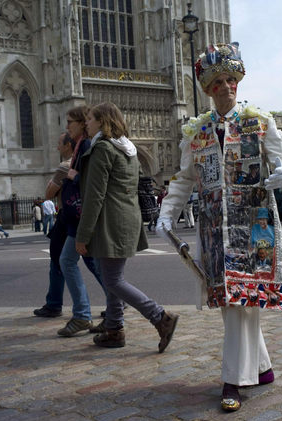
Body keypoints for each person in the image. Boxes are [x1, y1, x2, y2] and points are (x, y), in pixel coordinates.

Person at [155, 42, 282, 412]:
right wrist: (167, 213)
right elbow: (183, 179)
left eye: (231, 79)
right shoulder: (198, 132)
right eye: (218, 81)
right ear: (207, 89)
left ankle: (233, 381)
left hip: (254, 232)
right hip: (215, 234)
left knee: (243, 303)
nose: (226, 86)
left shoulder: (259, 121)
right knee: (233, 304)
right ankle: (263, 368)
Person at [75, 102, 179, 352]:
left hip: (110, 221)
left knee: (112, 279)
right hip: (125, 218)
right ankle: (114, 329)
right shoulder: (128, 149)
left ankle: (160, 317)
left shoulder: (102, 149)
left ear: (102, 121)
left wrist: (83, 234)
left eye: (89, 119)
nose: (86, 123)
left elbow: (95, 195)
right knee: (111, 276)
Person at [33, 132, 105, 324]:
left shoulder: (65, 167)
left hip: (68, 219)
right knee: (89, 261)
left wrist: (53, 184)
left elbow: (48, 193)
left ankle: (57, 304)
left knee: (59, 261)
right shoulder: (82, 165)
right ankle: (114, 299)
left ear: (68, 146)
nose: (57, 147)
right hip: (82, 218)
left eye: (59, 143)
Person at [54, 106, 106, 337]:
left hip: (80, 216)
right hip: (77, 217)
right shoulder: (80, 146)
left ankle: (84, 315)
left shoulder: (85, 146)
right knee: (89, 263)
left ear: (81, 123)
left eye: (70, 122)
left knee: (68, 261)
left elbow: (93, 181)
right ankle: (105, 311)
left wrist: (75, 177)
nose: (67, 127)